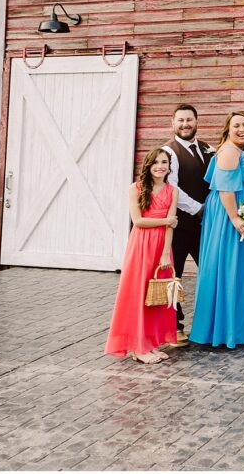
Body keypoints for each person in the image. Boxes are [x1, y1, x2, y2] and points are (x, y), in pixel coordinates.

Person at [189, 111, 244, 348]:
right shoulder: (230, 151)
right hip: (230, 214)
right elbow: (225, 189)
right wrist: (235, 218)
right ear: (227, 130)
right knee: (229, 267)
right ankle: (225, 330)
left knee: (238, 269)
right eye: (236, 125)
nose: (242, 129)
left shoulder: (241, 150)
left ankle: (235, 326)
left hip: (243, 212)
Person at [105, 148, 179, 363]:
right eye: (156, 162)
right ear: (148, 165)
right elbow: (138, 221)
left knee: (156, 298)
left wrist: (166, 253)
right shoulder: (136, 188)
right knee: (138, 295)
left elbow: (171, 227)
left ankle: (150, 342)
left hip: (161, 248)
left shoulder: (172, 191)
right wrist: (166, 221)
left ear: (169, 166)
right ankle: (137, 347)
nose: (160, 166)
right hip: (141, 246)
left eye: (164, 162)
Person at [162, 104, 214, 344]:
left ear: (196, 121)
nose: (185, 124)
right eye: (180, 120)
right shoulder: (169, 152)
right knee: (175, 276)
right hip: (180, 226)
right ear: (173, 124)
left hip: (206, 227)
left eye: (189, 120)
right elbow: (172, 189)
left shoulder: (208, 149)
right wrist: (199, 208)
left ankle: (209, 321)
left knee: (211, 272)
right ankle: (174, 326)